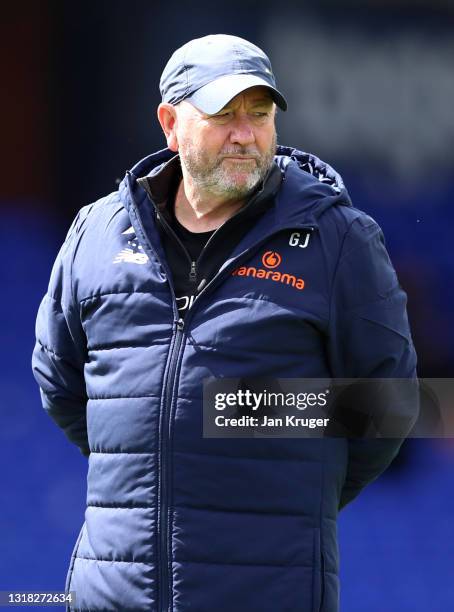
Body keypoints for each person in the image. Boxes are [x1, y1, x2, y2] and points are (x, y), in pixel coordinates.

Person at [32, 34, 417, 612]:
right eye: (223, 116)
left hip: (268, 591)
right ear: (169, 123)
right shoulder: (96, 233)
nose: (245, 134)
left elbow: (390, 407)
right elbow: (62, 386)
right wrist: (162, 454)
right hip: (112, 594)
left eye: (259, 115)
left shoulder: (339, 238)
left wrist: (247, 419)